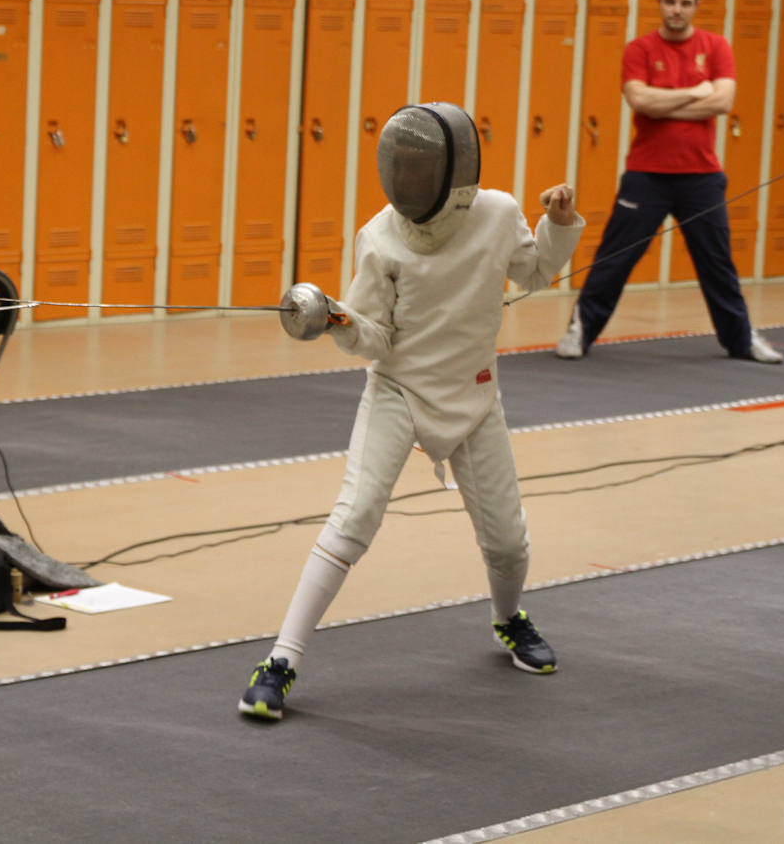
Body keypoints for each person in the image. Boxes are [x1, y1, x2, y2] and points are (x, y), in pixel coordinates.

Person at [240, 102, 584, 721]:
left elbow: (536, 272)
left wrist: (556, 225)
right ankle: (280, 661)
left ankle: (509, 618)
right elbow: (375, 338)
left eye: (418, 168)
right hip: (398, 391)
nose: (405, 179)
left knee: (508, 542)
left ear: (455, 177)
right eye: (400, 166)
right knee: (353, 519)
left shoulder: (498, 213)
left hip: (473, 393)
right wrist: (336, 318)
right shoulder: (379, 237)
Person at [556, 0, 782, 364]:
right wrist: (695, 92)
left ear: (695, 6)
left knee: (718, 263)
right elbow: (640, 101)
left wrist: (665, 103)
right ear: (660, 3)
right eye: (670, 2)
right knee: (614, 257)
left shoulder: (716, 46)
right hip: (647, 175)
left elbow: (722, 102)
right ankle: (580, 330)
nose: (677, 10)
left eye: (685, 3)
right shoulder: (639, 49)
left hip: (702, 176)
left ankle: (742, 340)